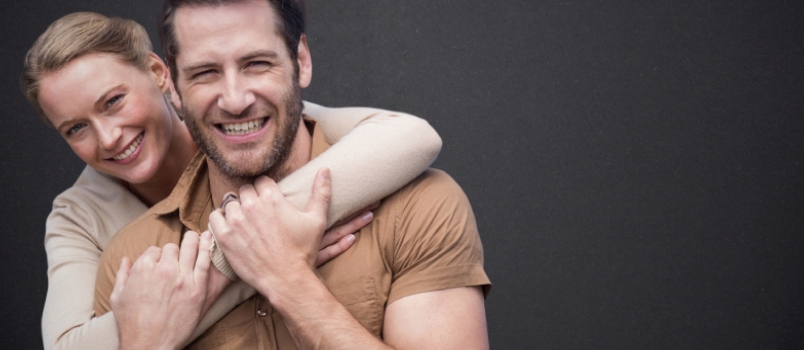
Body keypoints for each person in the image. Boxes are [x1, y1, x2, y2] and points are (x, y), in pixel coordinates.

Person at [22, 11, 442, 350]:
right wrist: (250, 262)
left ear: (158, 73)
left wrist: (255, 256)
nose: (108, 137)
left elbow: (411, 137)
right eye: (76, 128)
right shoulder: (80, 216)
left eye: (114, 101)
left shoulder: (239, 122)